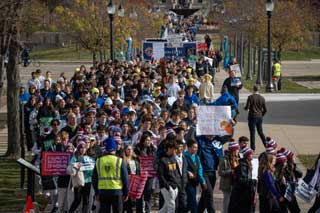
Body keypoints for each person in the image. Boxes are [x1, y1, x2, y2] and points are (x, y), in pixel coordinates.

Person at [92, 137, 129, 213]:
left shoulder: (98, 161)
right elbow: (125, 178)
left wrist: (96, 192)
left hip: (103, 192)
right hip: (117, 192)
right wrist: (126, 192)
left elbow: (94, 178)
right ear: (115, 149)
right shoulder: (119, 160)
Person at [69, 142, 95, 213]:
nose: (83, 149)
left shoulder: (89, 158)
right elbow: (71, 167)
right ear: (78, 149)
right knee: (77, 200)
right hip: (79, 182)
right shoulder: (75, 157)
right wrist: (77, 165)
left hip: (88, 181)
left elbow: (93, 167)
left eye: (84, 148)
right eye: (81, 148)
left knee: (86, 200)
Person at [228, 147, 256, 213]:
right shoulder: (242, 166)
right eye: (251, 154)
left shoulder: (247, 164)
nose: (252, 155)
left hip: (243, 194)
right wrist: (252, 182)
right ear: (247, 155)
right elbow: (241, 180)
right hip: (241, 195)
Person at [184, 139, 206, 213]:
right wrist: (188, 172)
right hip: (186, 182)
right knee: (193, 202)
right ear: (189, 147)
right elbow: (181, 167)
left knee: (189, 203)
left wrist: (203, 181)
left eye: (196, 147)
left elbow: (200, 169)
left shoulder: (197, 157)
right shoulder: (184, 156)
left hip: (194, 182)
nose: (195, 149)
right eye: (193, 147)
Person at [158, 140, 179, 213]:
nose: (175, 150)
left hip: (174, 186)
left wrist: (177, 184)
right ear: (169, 148)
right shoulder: (162, 160)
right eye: (174, 149)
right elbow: (160, 175)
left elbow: (176, 172)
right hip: (166, 187)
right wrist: (168, 187)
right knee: (171, 206)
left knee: (166, 207)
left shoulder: (174, 158)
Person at [218, 139, 239, 213]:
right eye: (236, 150)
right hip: (226, 184)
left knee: (233, 201)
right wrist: (231, 172)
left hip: (234, 183)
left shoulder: (237, 159)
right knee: (227, 201)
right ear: (233, 150)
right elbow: (220, 172)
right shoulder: (224, 159)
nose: (237, 151)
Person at [244, 85, 267, 151]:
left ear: (253, 89)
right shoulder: (262, 98)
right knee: (260, 132)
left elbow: (247, 107)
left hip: (252, 117)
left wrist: (245, 108)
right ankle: (266, 145)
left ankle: (253, 148)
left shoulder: (250, 97)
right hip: (259, 117)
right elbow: (265, 110)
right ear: (258, 89)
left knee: (252, 133)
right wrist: (261, 115)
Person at [175, 140, 188, 212]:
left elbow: (185, 170)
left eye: (182, 147)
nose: (181, 148)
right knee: (175, 205)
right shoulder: (172, 158)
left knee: (183, 204)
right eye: (179, 147)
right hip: (175, 184)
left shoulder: (184, 158)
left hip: (183, 184)